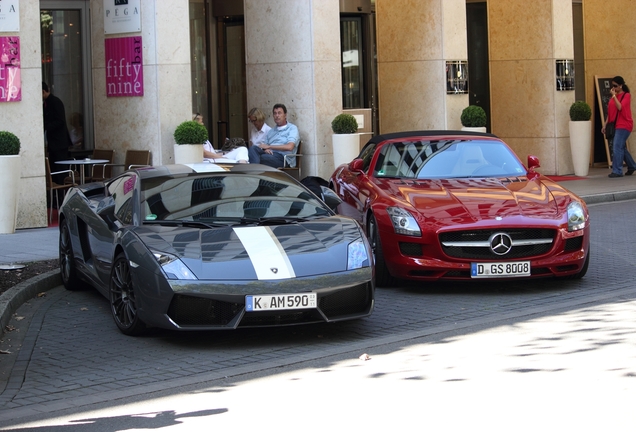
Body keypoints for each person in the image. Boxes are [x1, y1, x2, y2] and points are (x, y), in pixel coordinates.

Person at [602, 76, 636, 178]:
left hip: (624, 124)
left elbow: (620, 107)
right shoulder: (614, 97)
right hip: (615, 124)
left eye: (615, 86)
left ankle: (617, 170)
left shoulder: (626, 95)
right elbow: (610, 112)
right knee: (620, 147)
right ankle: (632, 166)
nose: (613, 88)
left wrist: (613, 96)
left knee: (617, 146)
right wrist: (605, 124)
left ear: (621, 86)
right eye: (612, 86)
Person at [248, 103, 299, 168]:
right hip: (270, 155)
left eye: (279, 113)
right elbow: (265, 147)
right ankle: (256, 174)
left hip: (283, 159)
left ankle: (254, 175)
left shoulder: (292, 128)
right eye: (275, 113)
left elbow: (289, 147)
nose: (277, 115)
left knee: (258, 158)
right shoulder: (271, 131)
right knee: (252, 149)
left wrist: (269, 146)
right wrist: (265, 150)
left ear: (285, 115)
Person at [43, 82, 72, 183]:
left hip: (59, 143)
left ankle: (62, 194)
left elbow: (60, 121)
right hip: (53, 144)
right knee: (54, 170)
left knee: (60, 171)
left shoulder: (55, 102)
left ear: (43, 92)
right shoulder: (46, 103)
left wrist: (47, 126)